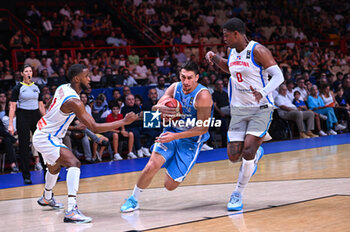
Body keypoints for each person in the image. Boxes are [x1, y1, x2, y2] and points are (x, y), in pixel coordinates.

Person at [32, 64, 138, 223]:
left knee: (54, 168)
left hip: (44, 133)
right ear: (76, 78)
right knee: (74, 163)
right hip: (46, 137)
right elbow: (94, 126)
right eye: (86, 76)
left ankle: (47, 197)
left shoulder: (62, 88)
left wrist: (71, 126)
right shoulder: (75, 102)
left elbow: (50, 109)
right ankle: (71, 210)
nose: (90, 79)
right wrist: (123, 121)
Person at [205, 18, 284, 211]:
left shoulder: (258, 51)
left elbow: (279, 76)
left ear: (236, 34)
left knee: (247, 150)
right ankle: (257, 154)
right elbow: (230, 69)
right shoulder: (232, 52)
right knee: (233, 156)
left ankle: (237, 194)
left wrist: (264, 92)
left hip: (260, 109)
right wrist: (215, 58)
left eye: (225, 35)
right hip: (239, 110)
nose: (224, 39)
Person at [120, 61, 213, 212]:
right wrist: (158, 107)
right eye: (183, 77)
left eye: (189, 78)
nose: (185, 81)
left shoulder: (203, 96)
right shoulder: (175, 87)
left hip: (191, 140)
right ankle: (133, 199)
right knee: (151, 166)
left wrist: (175, 137)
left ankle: (171, 160)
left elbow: (203, 128)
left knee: (169, 186)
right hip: (171, 132)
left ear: (197, 78)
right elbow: (155, 107)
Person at [8, 64, 45, 184]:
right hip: (23, 116)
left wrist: (45, 119)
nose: (29, 73)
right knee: (24, 146)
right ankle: (26, 176)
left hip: (36, 115)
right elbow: (12, 106)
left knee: (41, 144)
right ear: (22, 74)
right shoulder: (18, 88)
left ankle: (47, 171)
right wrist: (10, 124)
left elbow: (41, 104)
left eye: (30, 71)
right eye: (26, 71)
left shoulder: (37, 87)